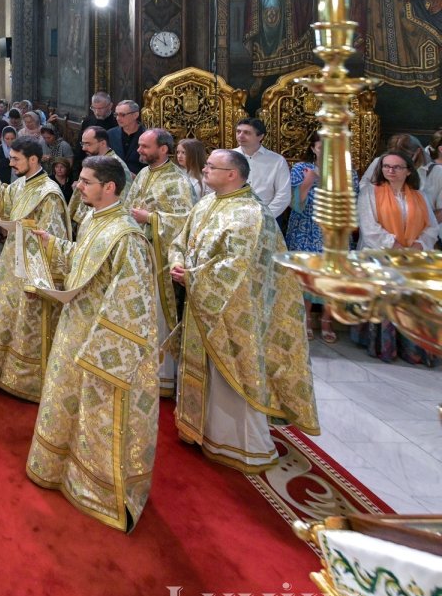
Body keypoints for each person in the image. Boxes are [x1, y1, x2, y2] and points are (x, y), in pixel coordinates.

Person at [27, 155, 159, 531]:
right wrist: (53, 245)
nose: (78, 186)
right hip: (75, 327)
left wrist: (104, 352)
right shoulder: (93, 219)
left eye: (86, 182)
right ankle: (59, 466)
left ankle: (96, 486)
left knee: (94, 412)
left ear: (109, 188)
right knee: (66, 398)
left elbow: (133, 304)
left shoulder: (127, 236)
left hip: (98, 342)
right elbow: (82, 261)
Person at [170, 149, 319, 472]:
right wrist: (179, 262)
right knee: (204, 371)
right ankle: (201, 430)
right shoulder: (208, 202)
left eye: (211, 166)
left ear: (232, 175)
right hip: (202, 306)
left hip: (236, 314)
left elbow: (237, 267)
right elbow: (181, 240)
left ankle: (238, 444)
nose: (204, 169)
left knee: (231, 375)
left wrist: (192, 276)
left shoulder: (251, 214)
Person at [0, 137, 71, 402]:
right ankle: (2, 373)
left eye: (16, 159)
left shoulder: (49, 193)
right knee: (7, 314)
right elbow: (3, 202)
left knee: (28, 322)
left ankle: (28, 382)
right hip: (11, 261)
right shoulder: (23, 183)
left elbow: (50, 238)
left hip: (31, 270)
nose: (10, 163)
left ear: (33, 160)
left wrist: (37, 280)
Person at [125, 129, 196, 396]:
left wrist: (151, 219)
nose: (139, 151)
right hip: (138, 254)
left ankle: (161, 377)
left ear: (163, 149)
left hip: (160, 261)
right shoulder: (144, 173)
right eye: (140, 146)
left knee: (157, 314)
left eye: (145, 147)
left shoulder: (178, 181)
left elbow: (185, 221)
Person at [352, 150, 439, 366]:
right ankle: (383, 346)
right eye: (386, 166)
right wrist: (397, 247)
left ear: (408, 171)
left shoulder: (419, 195)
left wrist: (418, 245)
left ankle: (412, 348)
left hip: (413, 258)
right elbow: (370, 229)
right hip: (380, 256)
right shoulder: (370, 193)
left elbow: (431, 226)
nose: (390, 170)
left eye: (396, 167)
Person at [286, 135, 356, 344]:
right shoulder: (301, 169)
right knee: (306, 275)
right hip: (304, 229)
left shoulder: (348, 173)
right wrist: (307, 183)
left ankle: (327, 320)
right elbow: (294, 204)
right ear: (313, 148)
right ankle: (306, 319)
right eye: (321, 146)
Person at [70, 126, 133, 227]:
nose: (83, 148)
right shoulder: (93, 161)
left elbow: (121, 199)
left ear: (103, 143)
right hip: (87, 221)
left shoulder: (116, 166)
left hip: (104, 223)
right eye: (83, 144)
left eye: (88, 144)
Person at [234, 118, 290, 216]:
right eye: (238, 131)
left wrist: (265, 216)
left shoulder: (277, 160)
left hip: (267, 216)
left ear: (260, 136)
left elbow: (283, 195)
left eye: (247, 133)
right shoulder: (227, 157)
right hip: (232, 214)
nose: (240, 136)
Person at [107, 101, 146, 174]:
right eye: (116, 115)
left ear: (135, 115)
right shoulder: (110, 134)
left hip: (139, 179)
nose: (118, 118)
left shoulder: (146, 135)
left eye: (122, 115)